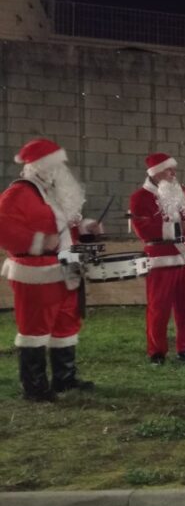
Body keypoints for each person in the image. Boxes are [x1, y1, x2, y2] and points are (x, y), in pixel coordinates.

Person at [0, 138, 101, 401]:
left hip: (65, 267)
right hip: (36, 272)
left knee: (66, 324)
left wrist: (85, 228)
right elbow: (3, 229)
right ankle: (34, 387)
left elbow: (64, 229)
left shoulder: (51, 194)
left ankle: (64, 378)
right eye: (55, 165)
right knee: (35, 328)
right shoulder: (18, 194)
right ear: (39, 166)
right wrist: (39, 241)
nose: (60, 170)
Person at [129, 153, 185, 365]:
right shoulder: (140, 197)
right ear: (155, 172)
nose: (173, 173)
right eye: (168, 169)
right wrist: (180, 228)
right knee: (158, 309)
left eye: (173, 169)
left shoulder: (183, 192)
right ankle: (157, 351)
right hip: (160, 260)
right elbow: (143, 229)